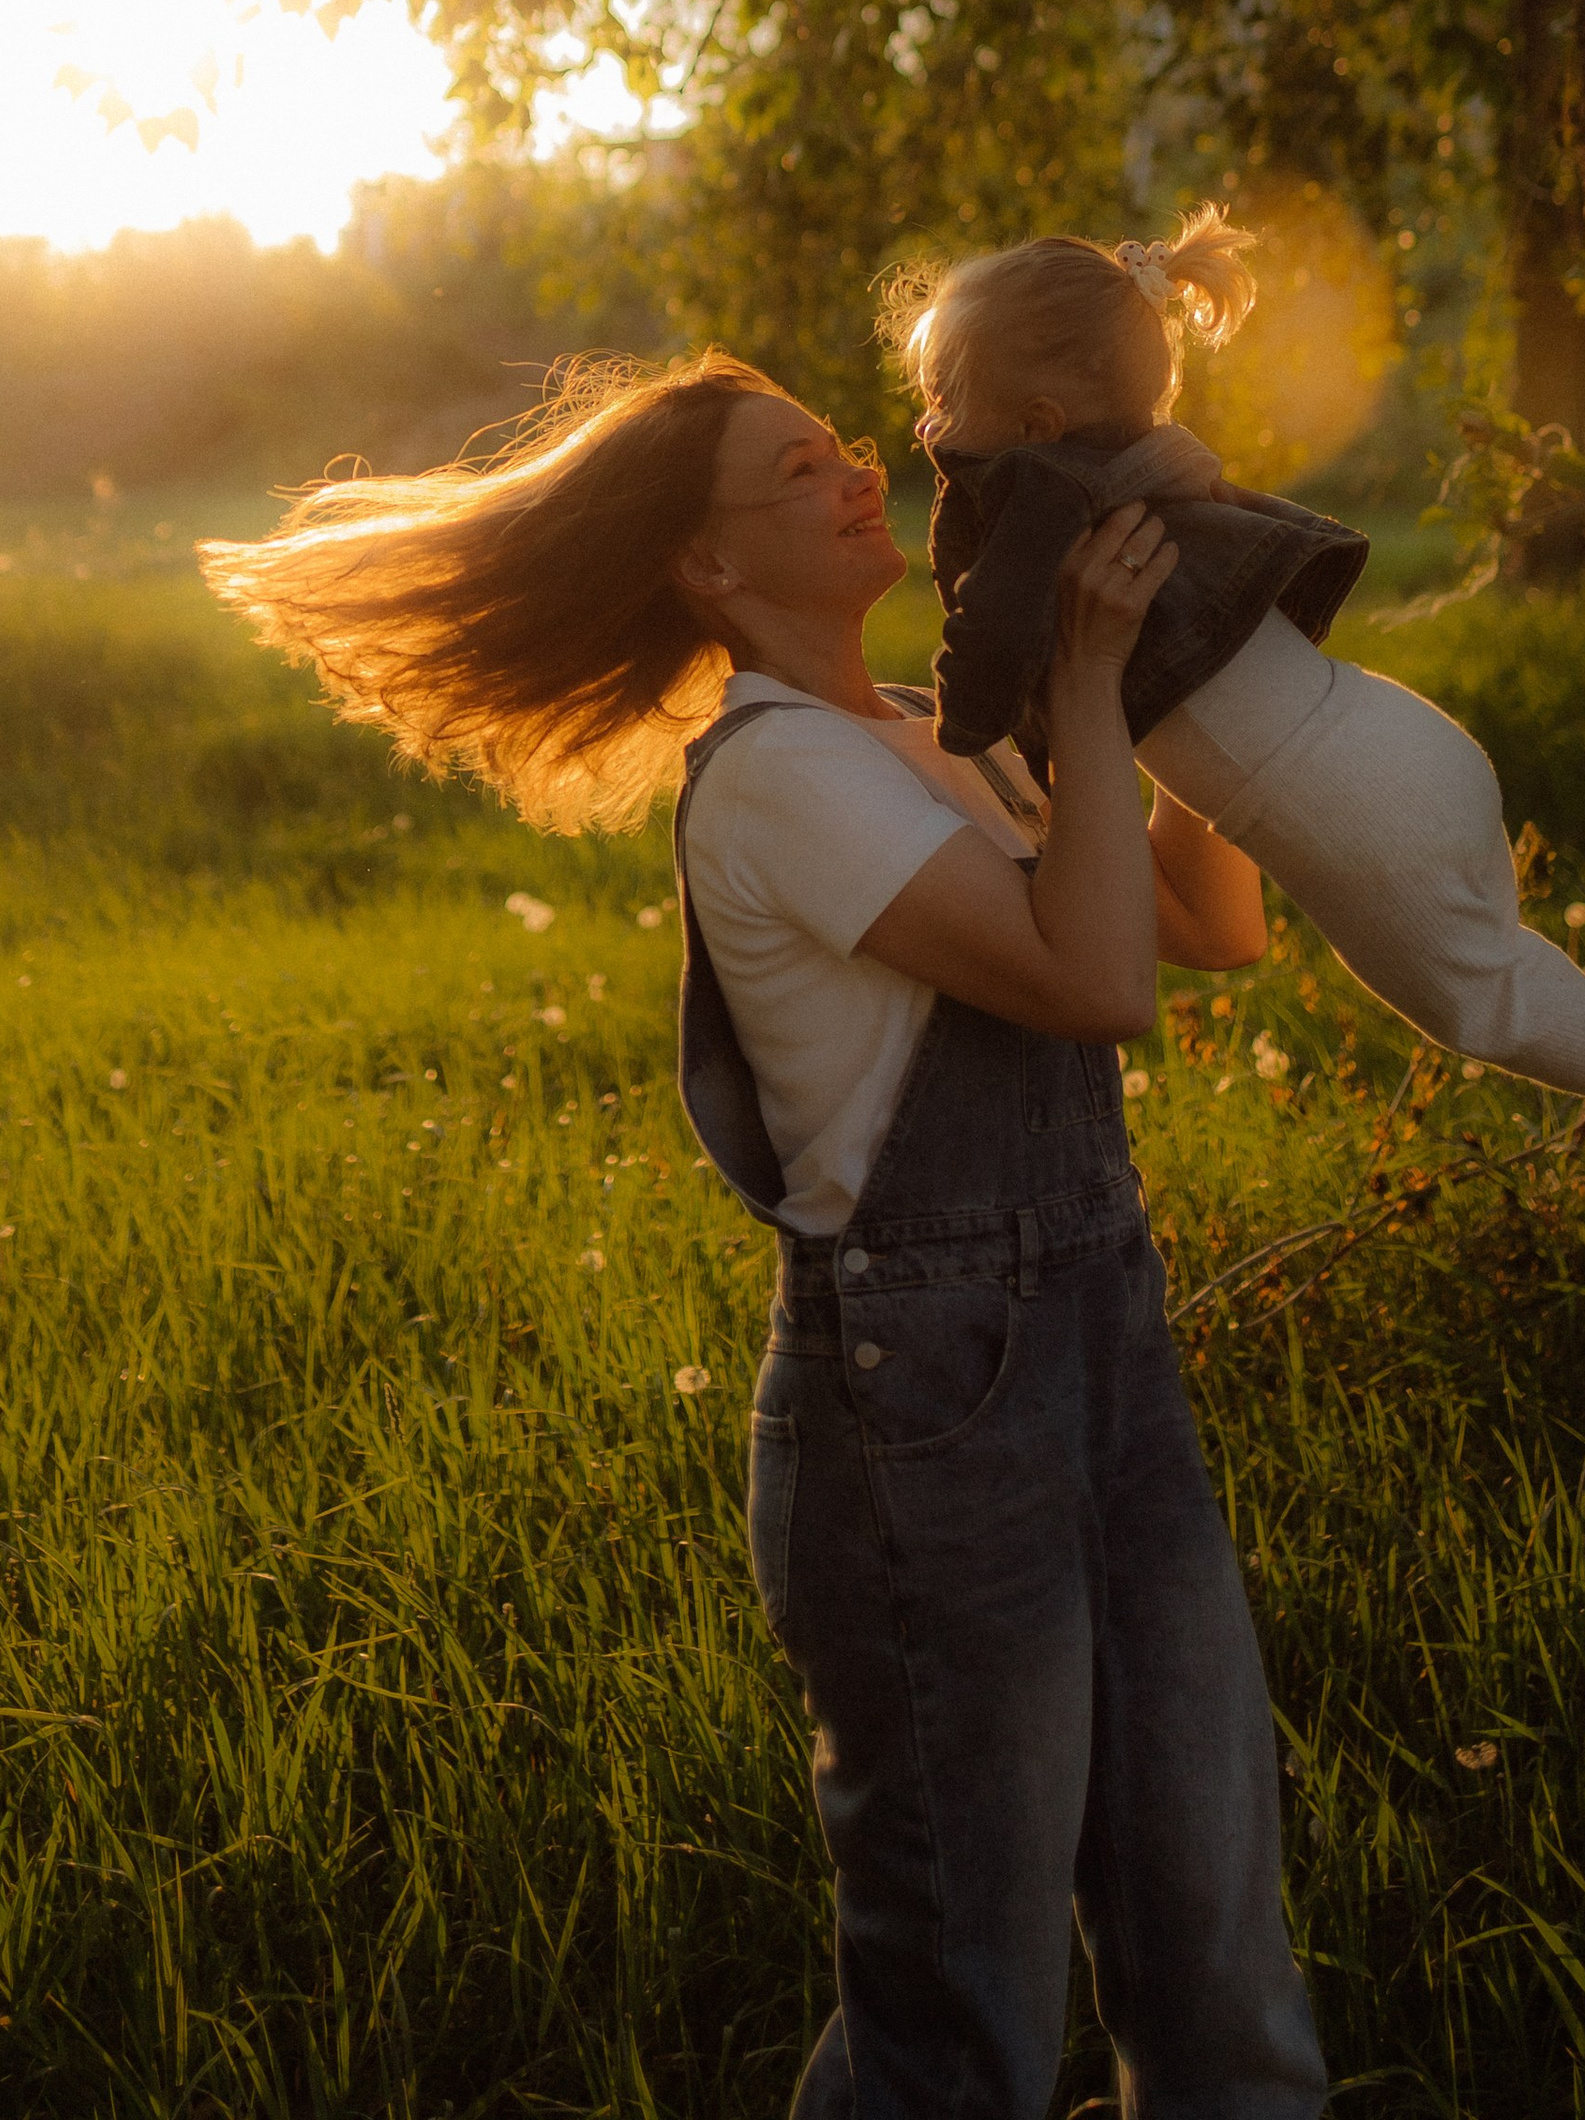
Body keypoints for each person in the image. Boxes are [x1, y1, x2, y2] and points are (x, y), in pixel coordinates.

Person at [204, 349, 1330, 2120]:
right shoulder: (781, 774)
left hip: (1104, 1340)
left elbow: (1213, 921)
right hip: (930, 1413)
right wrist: (1086, 682)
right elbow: (1099, 984)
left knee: (1214, 1954)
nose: (856, 475)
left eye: (842, 446)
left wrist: (1170, 670)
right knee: (961, 2010)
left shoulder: (935, 725)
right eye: (796, 472)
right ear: (710, 566)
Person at [893, 223, 1585, 1222]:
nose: (929, 422)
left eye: (945, 396)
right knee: (1495, 959)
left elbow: (994, 628)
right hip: (1389, 736)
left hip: (1350, 807)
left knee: (1475, 1003)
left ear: (1037, 421)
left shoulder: (1036, 485)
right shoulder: (1142, 464)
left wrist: (963, 723)